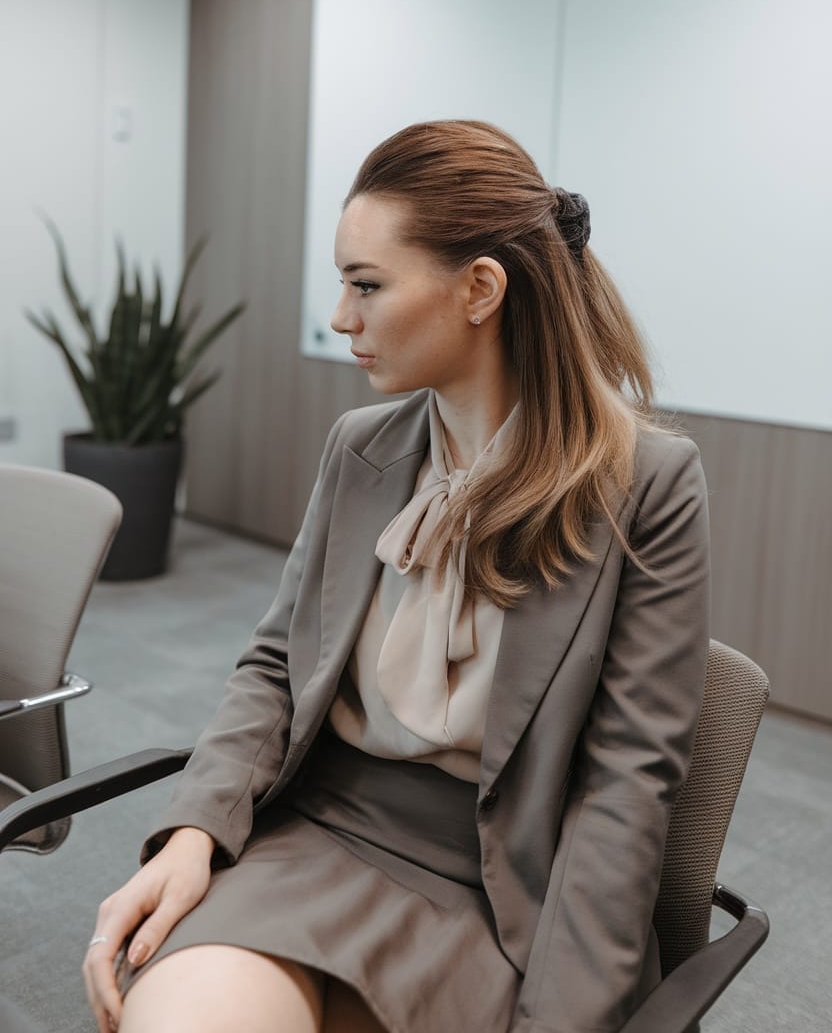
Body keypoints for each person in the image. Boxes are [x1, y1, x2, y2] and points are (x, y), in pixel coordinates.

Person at [83, 120, 710, 1033]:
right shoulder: (361, 448)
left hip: (504, 893)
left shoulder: (646, 483)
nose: (343, 317)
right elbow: (273, 668)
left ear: (481, 289)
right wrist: (192, 833)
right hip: (319, 832)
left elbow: (626, 789)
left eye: (366, 285)